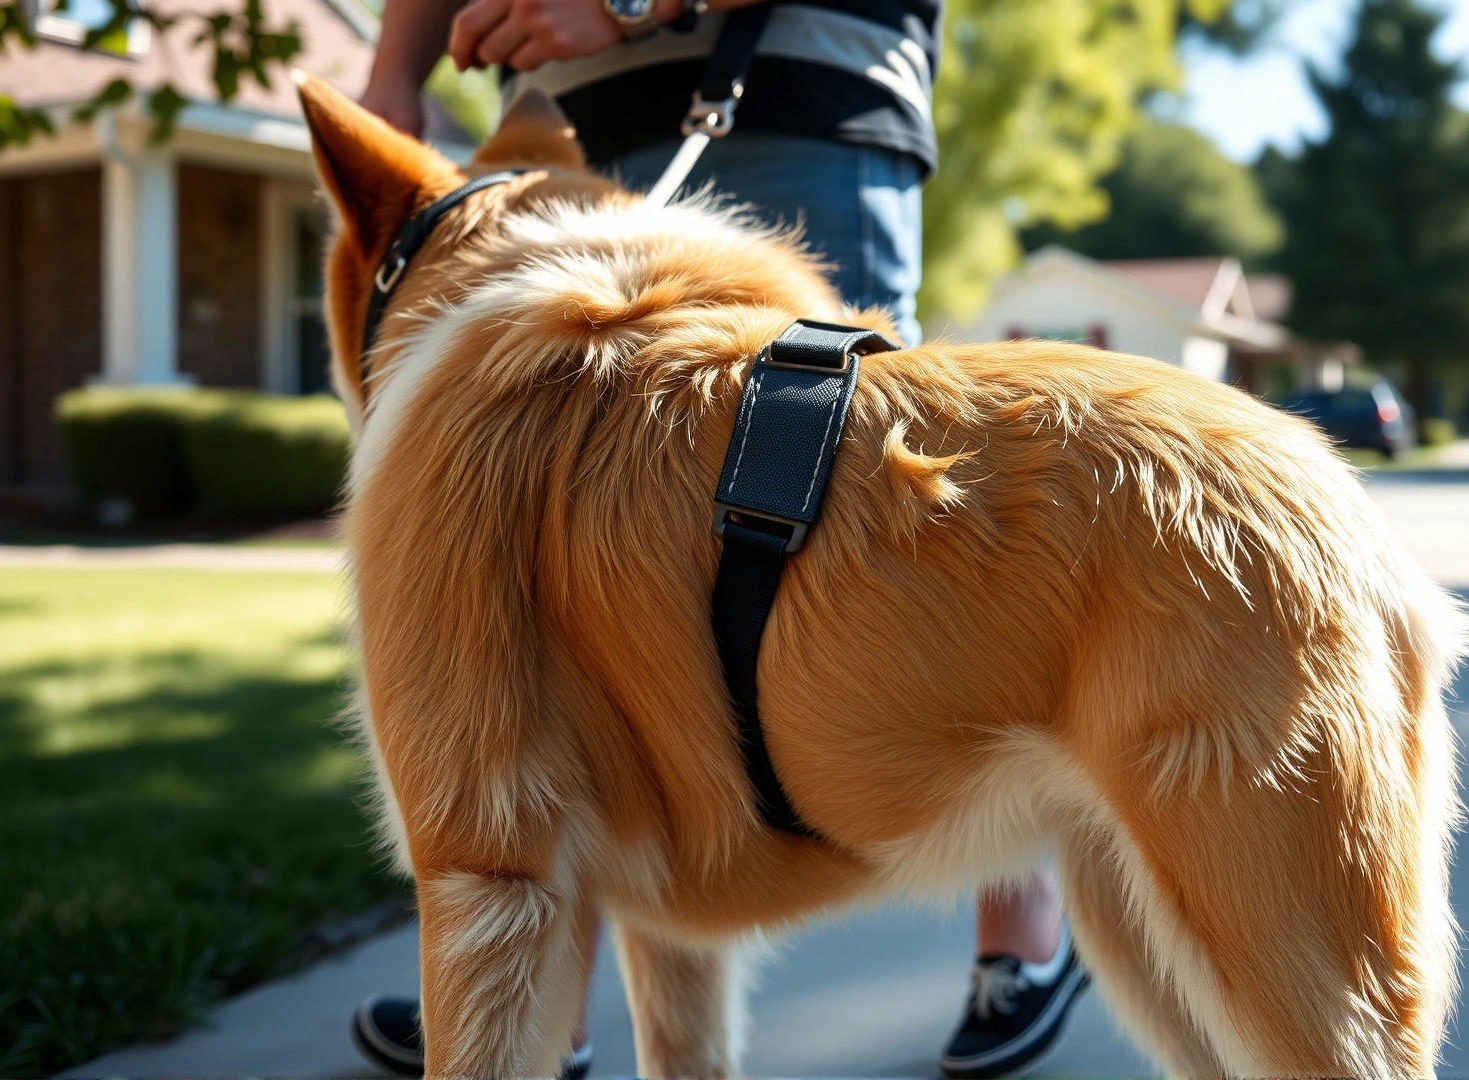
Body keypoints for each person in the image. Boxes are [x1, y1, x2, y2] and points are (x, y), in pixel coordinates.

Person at [344, 1, 1090, 1076]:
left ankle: (1021, 922)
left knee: (877, 529)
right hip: (553, 125)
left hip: (798, 85)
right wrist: (394, 71)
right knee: (573, 587)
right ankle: (539, 996)